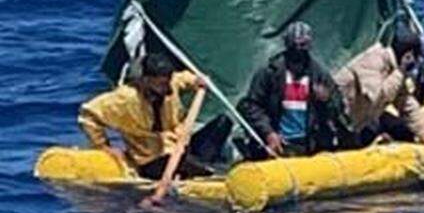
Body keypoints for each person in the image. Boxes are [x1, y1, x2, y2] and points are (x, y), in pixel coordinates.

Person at [78, 51, 231, 180]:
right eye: (160, 84)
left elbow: (182, 78)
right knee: (205, 170)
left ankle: (202, 165)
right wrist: (103, 146)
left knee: (223, 122)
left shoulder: (171, 83)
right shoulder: (125, 98)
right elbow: (88, 113)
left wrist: (196, 81)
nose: (165, 88)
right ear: (145, 80)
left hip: (180, 145)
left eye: (167, 82)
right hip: (152, 158)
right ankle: (206, 170)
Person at [236, 21, 353, 159]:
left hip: (309, 146)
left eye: (302, 47)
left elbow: (338, 108)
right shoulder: (270, 73)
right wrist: (268, 133)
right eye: (294, 47)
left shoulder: (319, 75)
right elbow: (249, 106)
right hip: (278, 144)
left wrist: (327, 100)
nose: (298, 53)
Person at [332, 27, 424, 145]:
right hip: (334, 121)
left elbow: (407, 105)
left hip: (354, 124)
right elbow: (377, 97)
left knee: (402, 130)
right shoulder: (372, 61)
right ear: (409, 55)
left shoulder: (393, 70)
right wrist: (401, 71)